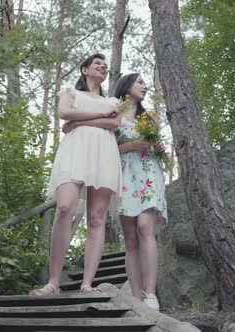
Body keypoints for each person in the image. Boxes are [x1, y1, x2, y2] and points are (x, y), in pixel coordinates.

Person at [64, 73, 167, 310]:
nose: (145, 86)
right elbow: (102, 144)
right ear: (127, 86)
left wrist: (159, 147)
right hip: (122, 176)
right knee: (130, 238)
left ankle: (151, 294)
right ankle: (137, 298)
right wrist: (129, 146)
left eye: (145, 83)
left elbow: (156, 146)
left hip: (148, 174)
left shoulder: (149, 117)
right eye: (140, 82)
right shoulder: (113, 110)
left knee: (144, 228)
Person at [30, 53, 122, 295]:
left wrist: (80, 122)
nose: (103, 67)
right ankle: (53, 282)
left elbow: (114, 125)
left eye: (105, 65)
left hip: (103, 155)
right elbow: (64, 114)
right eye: (97, 64)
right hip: (74, 153)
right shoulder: (70, 92)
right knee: (64, 208)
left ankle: (87, 284)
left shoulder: (113, 100)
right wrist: (101, 116)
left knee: (96, 218)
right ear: (85, 70)